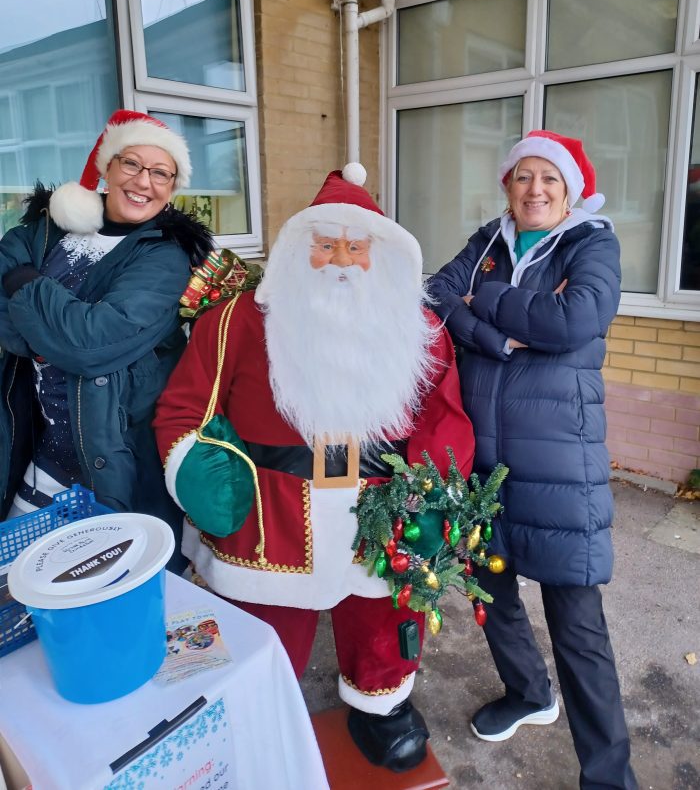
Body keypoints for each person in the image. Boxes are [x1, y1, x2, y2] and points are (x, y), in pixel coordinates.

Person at [154, 164, 475, 772]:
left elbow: (445, 416)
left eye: (357, 246)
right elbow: (184, 407)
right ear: (300, 248)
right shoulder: (236, 321)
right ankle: (258, 705)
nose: (342, 260)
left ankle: (381, 705)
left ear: (379, 253)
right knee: (265, 629)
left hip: (383, 510)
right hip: (270, 517)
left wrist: (434, 495)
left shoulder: (423, 330)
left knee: (383, 617)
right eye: (325, 245)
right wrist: (200, 472)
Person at [426, 130, 638, 789]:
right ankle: (528, 692)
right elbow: (436, 293)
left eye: (549, 178)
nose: (535, 189)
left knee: (578, 626)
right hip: (482, 461)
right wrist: (504, 336)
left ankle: (609, 775)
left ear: (569, 188)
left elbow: (575, 320)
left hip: (559, 464)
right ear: (506, 185)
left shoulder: (591, 242)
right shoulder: (487, 241)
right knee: (493, 596)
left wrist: (481, 301)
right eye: (523, 177)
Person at [0, 110, 212, 570]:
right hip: (36, 447)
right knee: (19, 584)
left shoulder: (164, 258)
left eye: (161, 173)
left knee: (107, 591)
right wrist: (46, 333)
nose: (144, 181)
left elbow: (89, 347)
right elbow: (11, 329)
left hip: (111, 460)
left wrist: (24, 283)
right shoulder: (43, 230)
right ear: (107, 167)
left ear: (172, 188)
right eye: (132, 164)